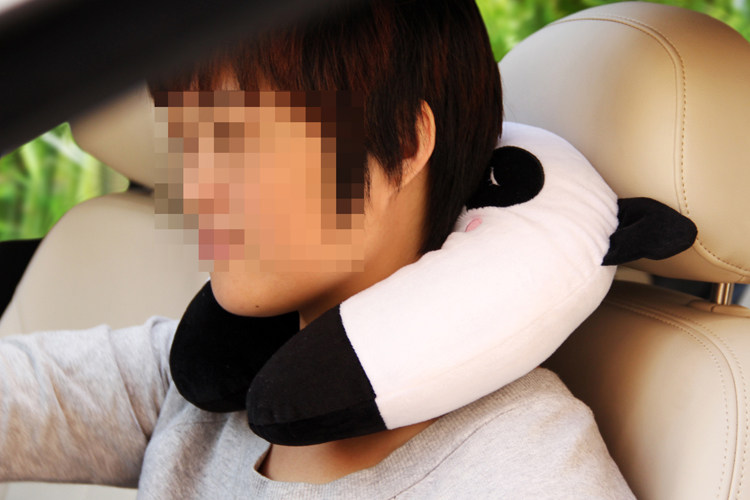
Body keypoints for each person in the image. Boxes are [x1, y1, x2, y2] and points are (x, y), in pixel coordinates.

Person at [0, 0, 635, 497]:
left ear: (403, 146)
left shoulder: (521, 470)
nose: (191, 190)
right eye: (186, 145)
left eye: (233, 141)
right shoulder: (197, 386)